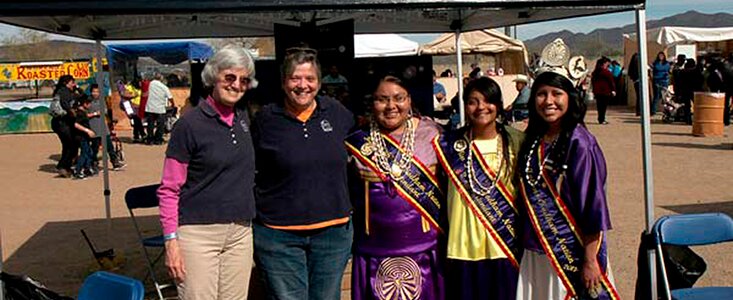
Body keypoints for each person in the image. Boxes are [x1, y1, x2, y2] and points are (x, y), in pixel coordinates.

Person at [252, 47, 354, 300]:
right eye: (295, 78)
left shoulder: (337, 114)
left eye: (309, 78)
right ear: (283, 82)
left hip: (333, 234)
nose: (302, 85)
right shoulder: (265, 119)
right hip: (278, 236)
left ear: (319, 82)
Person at [157, 45, 258, 299]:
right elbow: (169, 189)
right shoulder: (189, 125)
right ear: (213, 76)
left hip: (240, 233)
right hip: (198, 235)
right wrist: (171, 242)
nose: (236, 85)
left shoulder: (244, 119)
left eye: (243, 80)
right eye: (229, 77)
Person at [516, 71, 618, 300]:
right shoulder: (534, 139)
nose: (548, 101)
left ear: (570, 97)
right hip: (537, 250)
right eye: (541, 94)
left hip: (572, 251)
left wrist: (590, 261)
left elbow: (593, 207)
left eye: (556, 94)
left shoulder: (580, 142)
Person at [346, 75, 444, 300]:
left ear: (409, 100)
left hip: (424, 249)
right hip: (374, 251)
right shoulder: (357, 141)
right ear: (373, 103)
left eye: (398, 98)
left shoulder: (433, 134)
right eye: (382, 99)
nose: (391, 106)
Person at [433, 77, 524, 300]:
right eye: (473, 101)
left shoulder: (516, 141)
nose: (481, 107)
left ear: (499, 104)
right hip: (462, 247)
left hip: (504, 244)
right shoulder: (449, 144)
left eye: (488, 101)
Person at [88, 84, 126, 171]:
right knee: (95, 148)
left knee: (110, 147)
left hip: (103, 127)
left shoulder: (102, 100)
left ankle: (115, 163)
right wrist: (95, 114)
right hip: (93, 127)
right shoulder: (88, 101)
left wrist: (96, 113)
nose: (95, 93)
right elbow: (86, 113)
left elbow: (104, 111)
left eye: (97, 91)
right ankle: (93, 164)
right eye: (94, 91)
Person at [51, 75, 80, 178]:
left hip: (61, 123)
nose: (74, 84)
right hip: (61, 123)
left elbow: (83, 97)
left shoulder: (67, 92)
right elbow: (66, 105)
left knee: (68, 145)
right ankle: (64, 167)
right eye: (72, 82)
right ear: (66, 83)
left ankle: (62, 166)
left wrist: (78, 89)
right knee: (71, 145)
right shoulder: (64, 92)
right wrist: (72, 111)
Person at [72, 95, 97, 179]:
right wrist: (87, 131)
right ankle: (78, 170)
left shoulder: (83, 112)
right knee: (84, 153)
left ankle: (87, 168)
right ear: (85, 104)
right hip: (81, 136)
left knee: (89, 152)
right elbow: (76, 124)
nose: (90, 106)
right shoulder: (79, 113)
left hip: (85, 137)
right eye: (89, 104)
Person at [145, 73, 174, 145]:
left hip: (150, 107)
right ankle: (158, 139)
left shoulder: (150, 84)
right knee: (160, 125)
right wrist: (173, 104)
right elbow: (170, 98)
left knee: (150, 125)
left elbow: (145, 93)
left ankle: (150, 139)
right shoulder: (164, 87)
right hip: (160, 109)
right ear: (161, 79)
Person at [591, 57, 616, 124]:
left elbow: (593, 82)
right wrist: (613, 90)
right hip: (605, 91)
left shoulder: (595, 72)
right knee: (603, 106)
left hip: (597, 91)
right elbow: (611, 81)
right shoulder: (606, 72)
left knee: (599, 106)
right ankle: (602, 119)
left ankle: (600, 118)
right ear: (604, 64)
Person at [651, 51, 671, 116]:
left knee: (664, 97)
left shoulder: (667, 64)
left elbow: (669, 71)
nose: (661, 57)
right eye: (660, 56)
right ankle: (653, 110)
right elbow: (652, 71)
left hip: (664, 81)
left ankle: (666, 110)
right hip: (656, 81)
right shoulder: (655, 63)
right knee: (656, 96)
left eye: (662, 56)